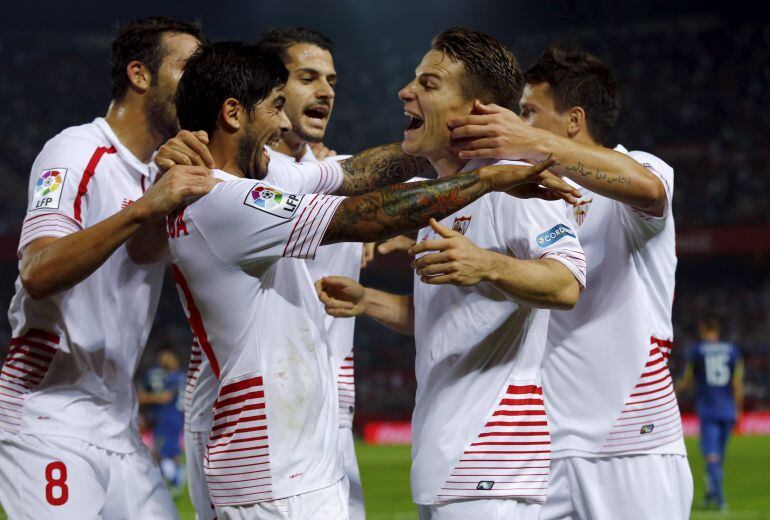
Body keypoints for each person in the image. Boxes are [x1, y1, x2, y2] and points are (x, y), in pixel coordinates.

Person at [169, 39, 573, 520]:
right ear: (233, 114)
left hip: (295, 465)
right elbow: (365, 216)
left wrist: (451, 144)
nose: (284, 124)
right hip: (276, 474)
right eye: (277, 106)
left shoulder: (252, 179)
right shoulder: (226, 200)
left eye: (428, 84)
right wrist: (488, 179)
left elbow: (358, 172)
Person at [158, 27, 433, 519]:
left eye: (332, 79)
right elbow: (373, 210)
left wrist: (449, 141)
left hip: (320, 407)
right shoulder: (230, 182)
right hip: (245, 419)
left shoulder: (318, 171)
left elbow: (382, 180)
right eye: (306, 79)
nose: (325, 90)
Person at [316, 28, 587, 520]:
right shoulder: (446, 195)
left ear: (477, 110)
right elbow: (446, 318)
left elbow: (566, 283)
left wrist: (487, 263)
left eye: (429, 83)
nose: (406, 91)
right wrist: (367, 301)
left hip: (493, 463)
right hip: (448, 462)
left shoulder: (515, 182)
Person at [448, 44, 693, 518]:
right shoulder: (529, 199)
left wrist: (527, 142)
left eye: (529, 113)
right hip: (541, 452)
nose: (517, 123)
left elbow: (647, 188)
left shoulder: (637, 169)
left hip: (629, 443)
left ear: (574, 120)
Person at [0, 17, 215, 519]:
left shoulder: (164, 172)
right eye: (189, 68)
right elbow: (36, 270)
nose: (200, 83)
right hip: (47, 419)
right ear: (140, 75)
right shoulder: (74, 152)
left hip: (119, 424)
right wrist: (142, 208)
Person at [677, 317, 743, 511]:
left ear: (704, 329)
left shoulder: (696, 351)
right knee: (718, 458)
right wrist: (738, 409)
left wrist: (673, 390)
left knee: (712, 457)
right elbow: (737, 383)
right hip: (728, 410)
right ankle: (710, 496)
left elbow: (687, 379)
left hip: (708, 410)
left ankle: (720, 500)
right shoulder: (732, 350)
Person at [139, 348, 186, 490]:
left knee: (164, 453)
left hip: (170, 418)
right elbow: (142, 397)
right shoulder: (172, 376)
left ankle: (172, 480)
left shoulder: (174, 378)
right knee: (166, 453)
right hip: (166, 418)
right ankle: (173, 480)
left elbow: (146, 396)